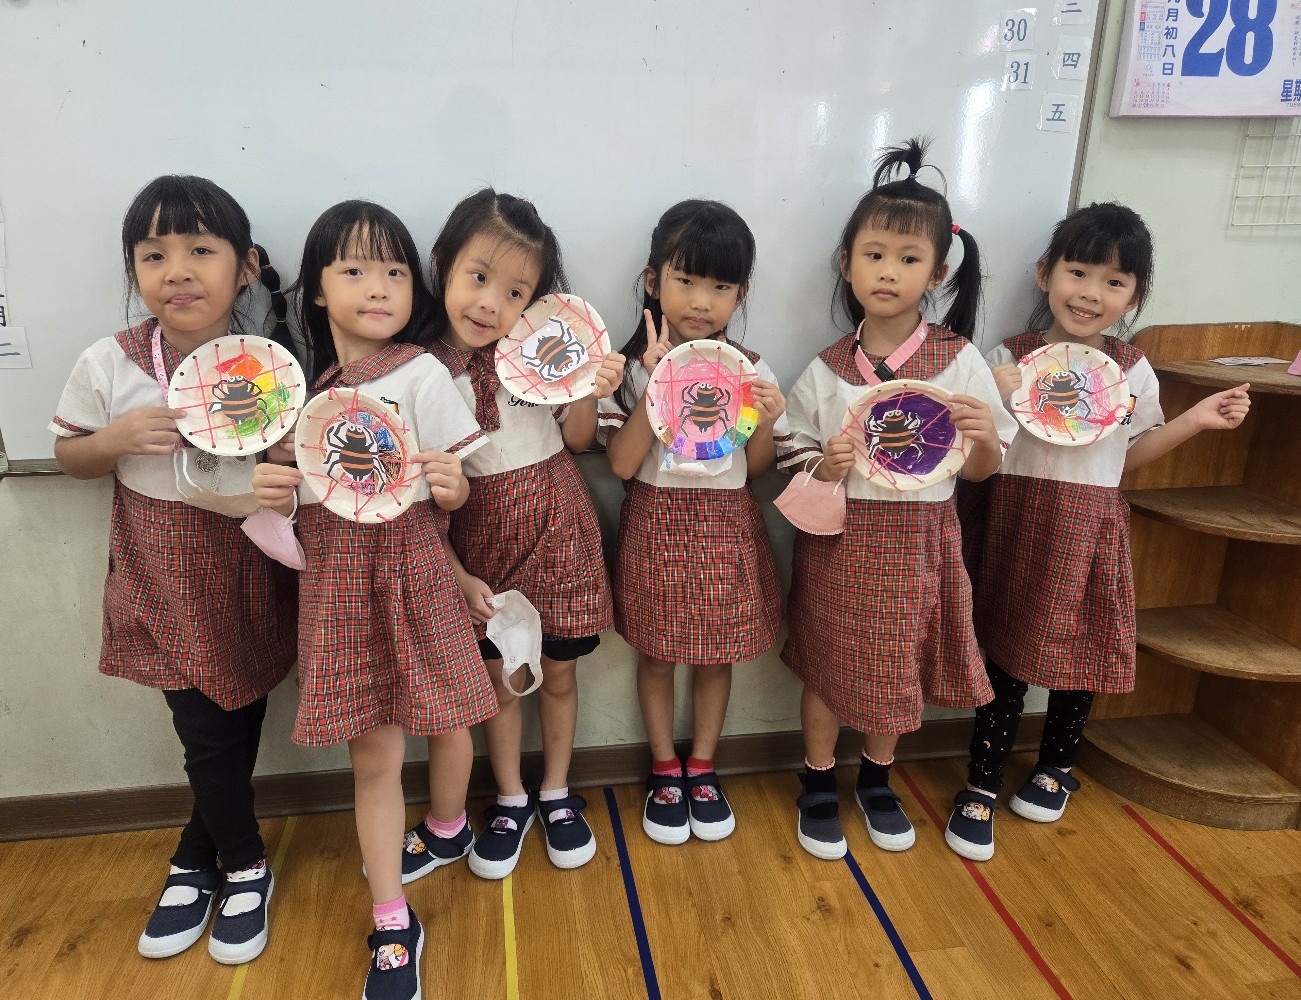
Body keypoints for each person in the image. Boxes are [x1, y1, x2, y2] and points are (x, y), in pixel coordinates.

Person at [945, 202, 1251, 862]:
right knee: (1003, 646)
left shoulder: (1132, 369)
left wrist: (1195, 420)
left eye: (1114, 281)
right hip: (1012, 514)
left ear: (1134, 296)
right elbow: (975, 447)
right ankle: (981, 782)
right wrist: (992, 391)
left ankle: (1056, 765)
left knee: (1078, 647)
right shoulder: (1008, 356)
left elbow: (1128, 457)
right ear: (1044, 274)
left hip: (1087, 519)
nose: (1090, 292)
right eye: (1077, 272)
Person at [252, 200, 497, 1000]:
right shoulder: (302, 391)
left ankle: (449, 827)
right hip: (337, 585)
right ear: (316, 289)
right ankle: (391, 920)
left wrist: (452, 486)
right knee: (374, 754)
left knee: (451, 715)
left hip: (417, 570)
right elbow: (294, 501)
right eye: (354, 269)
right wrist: (275, 485)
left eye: (394, 270)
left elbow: (453, 492)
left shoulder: (421, 372)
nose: (379, 286)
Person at [51, 175, 296, 964]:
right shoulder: (110, 361)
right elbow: (69, 455)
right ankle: (246, 864)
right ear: (133, 269)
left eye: (200, 250)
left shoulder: (271, 365)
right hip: (159, 571)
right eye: (153, 255)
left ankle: (195, 856)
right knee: (205, 731)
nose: (177, 271)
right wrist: (116, 439)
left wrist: (285, 456)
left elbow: (298, 469)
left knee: (239, 711)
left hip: (248, 564)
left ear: (245, 266)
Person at [780, 139, 1015, 860]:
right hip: (841, 540)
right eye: (874, 254)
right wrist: (823, 461)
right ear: (846, 263)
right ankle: (818, 779)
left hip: (919, 539)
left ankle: (878, 779)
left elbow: (981, 471)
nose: (888, 271)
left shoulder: (959, 360)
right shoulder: (826, 368)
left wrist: (983, 437)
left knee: (897, 662)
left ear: (937, 273)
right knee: (827, 664)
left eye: (909, 259)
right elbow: (790, 449)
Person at [417, 189, 623, 879]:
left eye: (515, 292)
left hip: (559, 525)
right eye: (478, 277)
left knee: (558, 671)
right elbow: (422, 498)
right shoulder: (418, 372)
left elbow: (580, 439)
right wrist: (456, 573)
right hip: (479, 539)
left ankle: (557, 792)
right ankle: (509, 799)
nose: (490, 304)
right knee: (500, 676)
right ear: (443, 263)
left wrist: (588, 388)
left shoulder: (540, 354)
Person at [599, 199, 787, 846]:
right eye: (685, 280)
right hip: (656, 523)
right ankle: (663, 768)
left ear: (741, 294)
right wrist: (654, 386)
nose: (701, 300)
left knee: (716, 658)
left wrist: (766, 420)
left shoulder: (748, 369)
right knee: (655, 657)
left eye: (720, 286)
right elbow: (621, 465)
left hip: (726, 525)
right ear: (654, 282)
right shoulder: (632, 369)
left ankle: (702, 767)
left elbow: (757, 469)